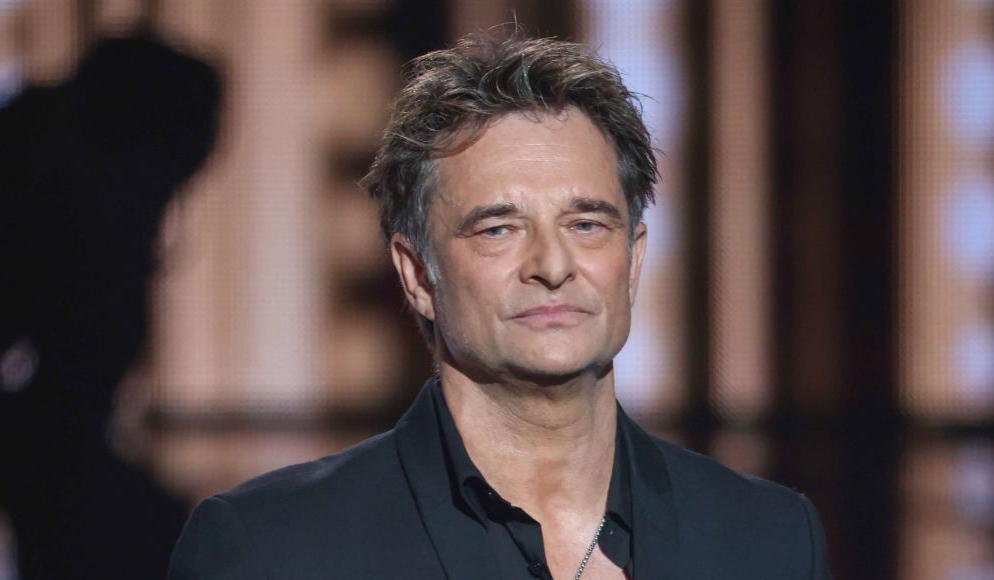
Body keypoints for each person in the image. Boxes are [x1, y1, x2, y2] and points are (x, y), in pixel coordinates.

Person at [168, 32, 832, 580]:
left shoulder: (767, 538)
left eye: (586, 225)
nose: (552, 265)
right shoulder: (272, 550)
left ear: (632, 261)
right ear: (417, 274)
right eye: (498, 229)